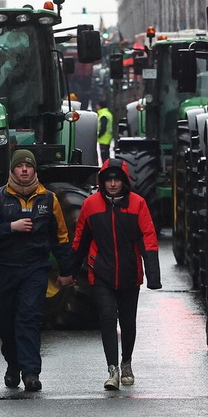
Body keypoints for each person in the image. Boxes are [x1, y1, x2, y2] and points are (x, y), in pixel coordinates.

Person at [0, 149, 75, 392]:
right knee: (7, 322)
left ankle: (31, 373)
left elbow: (61, 237)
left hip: (35, 269)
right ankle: (13, 365)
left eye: (28, 166)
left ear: (34, 170)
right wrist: (11, 226)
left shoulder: (49, 199)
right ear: (12, 171)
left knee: (29, 318)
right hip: (5, 269)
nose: (24, 170)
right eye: (19, 166)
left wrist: (66, 270)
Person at [62, 158, 161, 390]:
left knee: (128, 322)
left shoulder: (137, 204)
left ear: (123, 181)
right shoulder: (90, 205)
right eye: (109, 179)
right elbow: (80, 241)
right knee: (107, 319)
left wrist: (153, 276)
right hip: (102, 274)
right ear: (102, 182)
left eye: (117, 179)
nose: (113, 184)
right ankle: (112, 369)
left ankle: (126, 362)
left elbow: (148, 238)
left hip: (129, 273)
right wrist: (70, 271)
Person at [96, 100, 113, 164]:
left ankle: (105, 168)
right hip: (107, 137)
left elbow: (103, 127)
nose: (96, 107)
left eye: (97, 105)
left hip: (104, 138)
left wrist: (99, 135)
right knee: (106, 155)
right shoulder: (108, 113)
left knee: (104, 156)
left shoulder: (103, 115)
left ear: (100, 106)